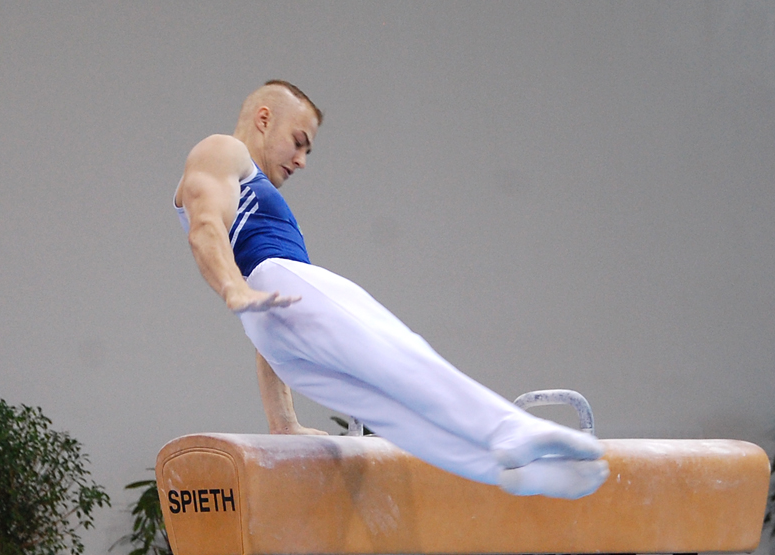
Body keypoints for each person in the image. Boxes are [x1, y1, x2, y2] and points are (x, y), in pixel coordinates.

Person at [175, 80, 609, 500]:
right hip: (272, 284)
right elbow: (205, 224)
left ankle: (508, 470)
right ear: (264, 119)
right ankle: (510, 430)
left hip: (271, 335)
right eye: (299, 140)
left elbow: (266, 302)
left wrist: (283, 422)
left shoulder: (249, 197)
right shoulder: (222, 151)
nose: (303, 159)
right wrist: (233, 288)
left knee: (388, 410)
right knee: (403, 354)